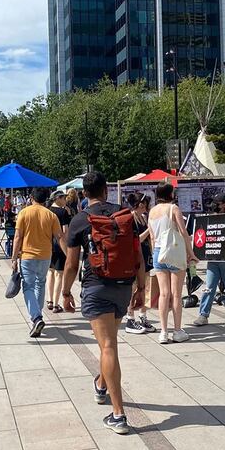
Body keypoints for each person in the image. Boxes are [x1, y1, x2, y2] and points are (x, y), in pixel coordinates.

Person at [62, 172, 146, 434]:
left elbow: (72, 263)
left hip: (96, 285)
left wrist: (65, 293)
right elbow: (138, 254)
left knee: (107, 346)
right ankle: (100, 384)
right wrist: (141, 287)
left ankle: (119, 415)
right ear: (107, 191)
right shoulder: (124, 215)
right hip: (123, 285)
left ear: (84, 194)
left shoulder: (80, 220)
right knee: (108, 343)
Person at [11, 188, 66, 337]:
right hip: (45, 255)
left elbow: (17, 237)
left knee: (28, 287)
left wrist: (14, 257)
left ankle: (36, 317)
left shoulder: (24, 213)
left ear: (31, 198)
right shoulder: (51, 215)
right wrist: (68, 255)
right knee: (40, 284)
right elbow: (59, 236)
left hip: (27, 255)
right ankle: (37, 315)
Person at [148, 182, 196, 344]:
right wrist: (191, 254)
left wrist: (155, 253)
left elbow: (153, 238)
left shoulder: (152, 211)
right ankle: (177, 330)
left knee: (163, 293)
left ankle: (163, 331)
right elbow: (183, 233)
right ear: (170, 194)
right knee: (176, 294)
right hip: (174, 253)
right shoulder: (173, 208)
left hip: (158, 253)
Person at [194, 193, 225, 327]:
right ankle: (203, 315)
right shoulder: (211, 218)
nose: (215, 206)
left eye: (217, 203)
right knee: (209, 287)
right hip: (214, 257)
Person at [123, 193, 156, 334]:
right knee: (134, 287)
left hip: (146, 255)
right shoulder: (131, 218)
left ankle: (143, 315)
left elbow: (148, 240)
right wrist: (150, 229)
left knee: (146, 287)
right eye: (145, 203)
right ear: (140, 204)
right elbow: (137, 239)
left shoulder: (143, 218)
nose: (147, 206)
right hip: (135, 256)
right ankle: (130, 317)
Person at [46, 190, 71, 313]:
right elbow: (65, 231)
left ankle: (50, 300)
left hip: (48, 245)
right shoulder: (63, 212)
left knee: (50, 272)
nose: (65, 200)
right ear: (58, 198)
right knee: (59, 274)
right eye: (64, 198)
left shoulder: (47, 211)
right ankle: (56, 304)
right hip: (59, 245)